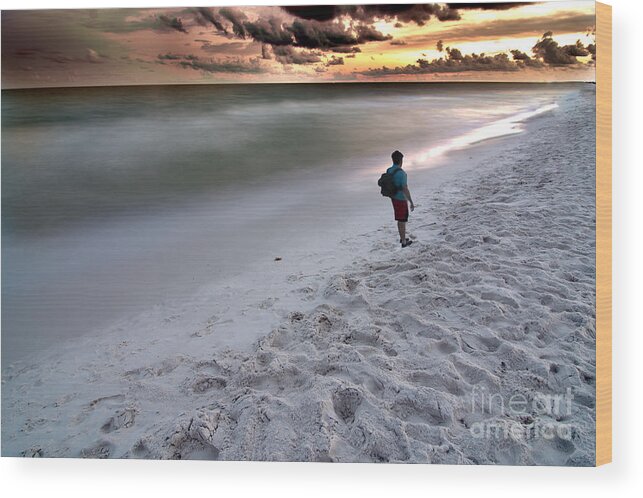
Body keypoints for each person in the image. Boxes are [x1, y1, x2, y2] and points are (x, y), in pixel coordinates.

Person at [387, 150, 415, 247]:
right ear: (401, 160)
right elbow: (405, 189)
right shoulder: (402, 174)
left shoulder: (389, 170)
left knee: (399, 219)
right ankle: (404, 241)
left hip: (393, 197)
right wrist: (411, 201)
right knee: (402, 220)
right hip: (401, 199)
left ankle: (402, 237)